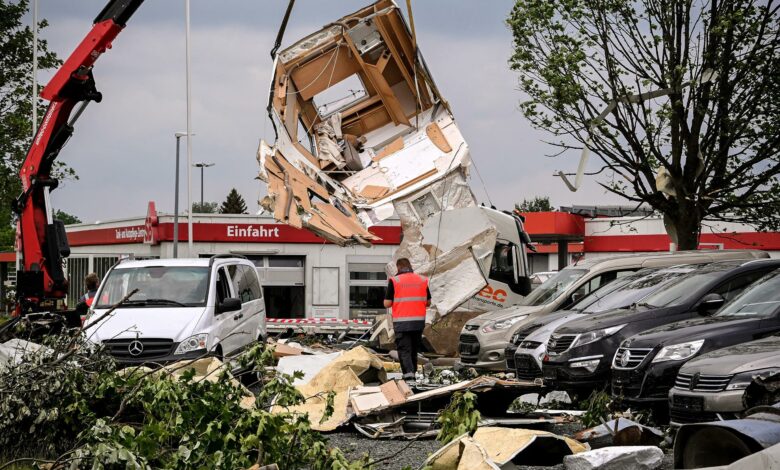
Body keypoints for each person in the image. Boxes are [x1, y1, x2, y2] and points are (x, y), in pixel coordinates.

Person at [384, 258, 431, 381]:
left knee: (404, 350)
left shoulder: (395, 281)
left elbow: (387, 303)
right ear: (410, 266)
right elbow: (428, 303)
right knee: (414, 350)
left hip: (402, 323)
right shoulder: (422, 280)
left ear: (398, 267)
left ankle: (409, 377)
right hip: (418, 323)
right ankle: (413, 375)